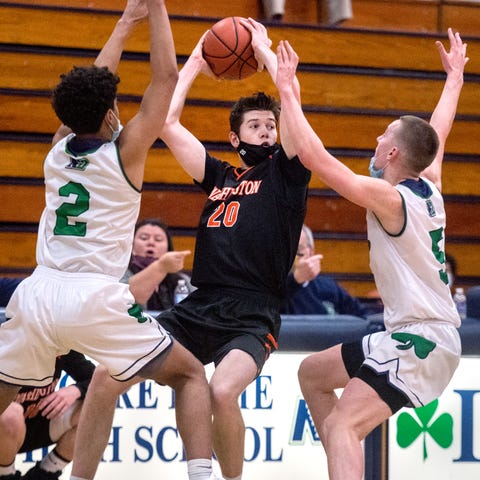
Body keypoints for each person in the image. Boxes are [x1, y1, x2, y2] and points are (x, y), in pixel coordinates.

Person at [0, 2, 215, 480]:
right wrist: (156, 8)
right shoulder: (126, 151)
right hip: (94, 297)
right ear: (113, 111)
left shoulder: (56, 151)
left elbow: (89, 88)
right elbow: (165, 79)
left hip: (36, 294)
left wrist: (123, 24)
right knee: (190, 374)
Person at [274, 28, 467, 479]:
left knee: (343, 425)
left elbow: (319, 161)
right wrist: (454, 77)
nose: (376, 141)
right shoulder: (428, 185)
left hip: (422, 339)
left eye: (383, 136)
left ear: (394, 152)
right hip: (414, 334)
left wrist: (288, 92)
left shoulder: (390, 197)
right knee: (313, 375)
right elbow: (435, 134)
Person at [155, 18, 310, 480]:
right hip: (200, 305)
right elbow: (165, 121)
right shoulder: (220, 176)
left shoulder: (287, 173)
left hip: (253, 311)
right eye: (256, 126)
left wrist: (265, 56)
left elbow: (295, 116)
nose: (267, 132)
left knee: (223, 391)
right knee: (119, 366)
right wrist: (196, 64)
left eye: (271, 126)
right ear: (235, 139)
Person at [0, 351, 95, 480]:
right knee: (11, 414)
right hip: (5, 428)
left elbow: (97, 380)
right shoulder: (8, 342)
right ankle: (5, 475)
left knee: (92, 408)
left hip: (36, 421)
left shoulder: (60, 343)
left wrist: (76, 390)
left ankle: (46, 473)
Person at [282, 224, 367, 317]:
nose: (292, 255)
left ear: (311, 252)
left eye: (298, 249)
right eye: (285, 249)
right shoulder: (270, 288)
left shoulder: (328, 286)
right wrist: (294, 280)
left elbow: (361, 316)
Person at [121, 217, 194, 311]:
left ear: (168, 248)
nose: (151, 242)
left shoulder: (183, 281)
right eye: (144, 238)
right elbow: (127, 300)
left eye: (158, 239)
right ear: (132, 245)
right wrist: (161, 266)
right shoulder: (120, 273)